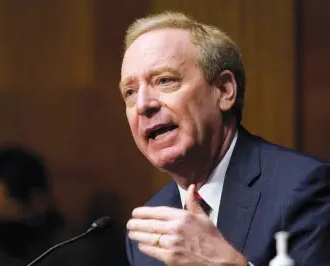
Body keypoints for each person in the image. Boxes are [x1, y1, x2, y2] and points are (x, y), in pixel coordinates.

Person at [120, 11, 330, 266]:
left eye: (164, 80)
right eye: (130, 92)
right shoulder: (150, 230)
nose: (143, 104)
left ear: (224, 90)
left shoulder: (302, 189)